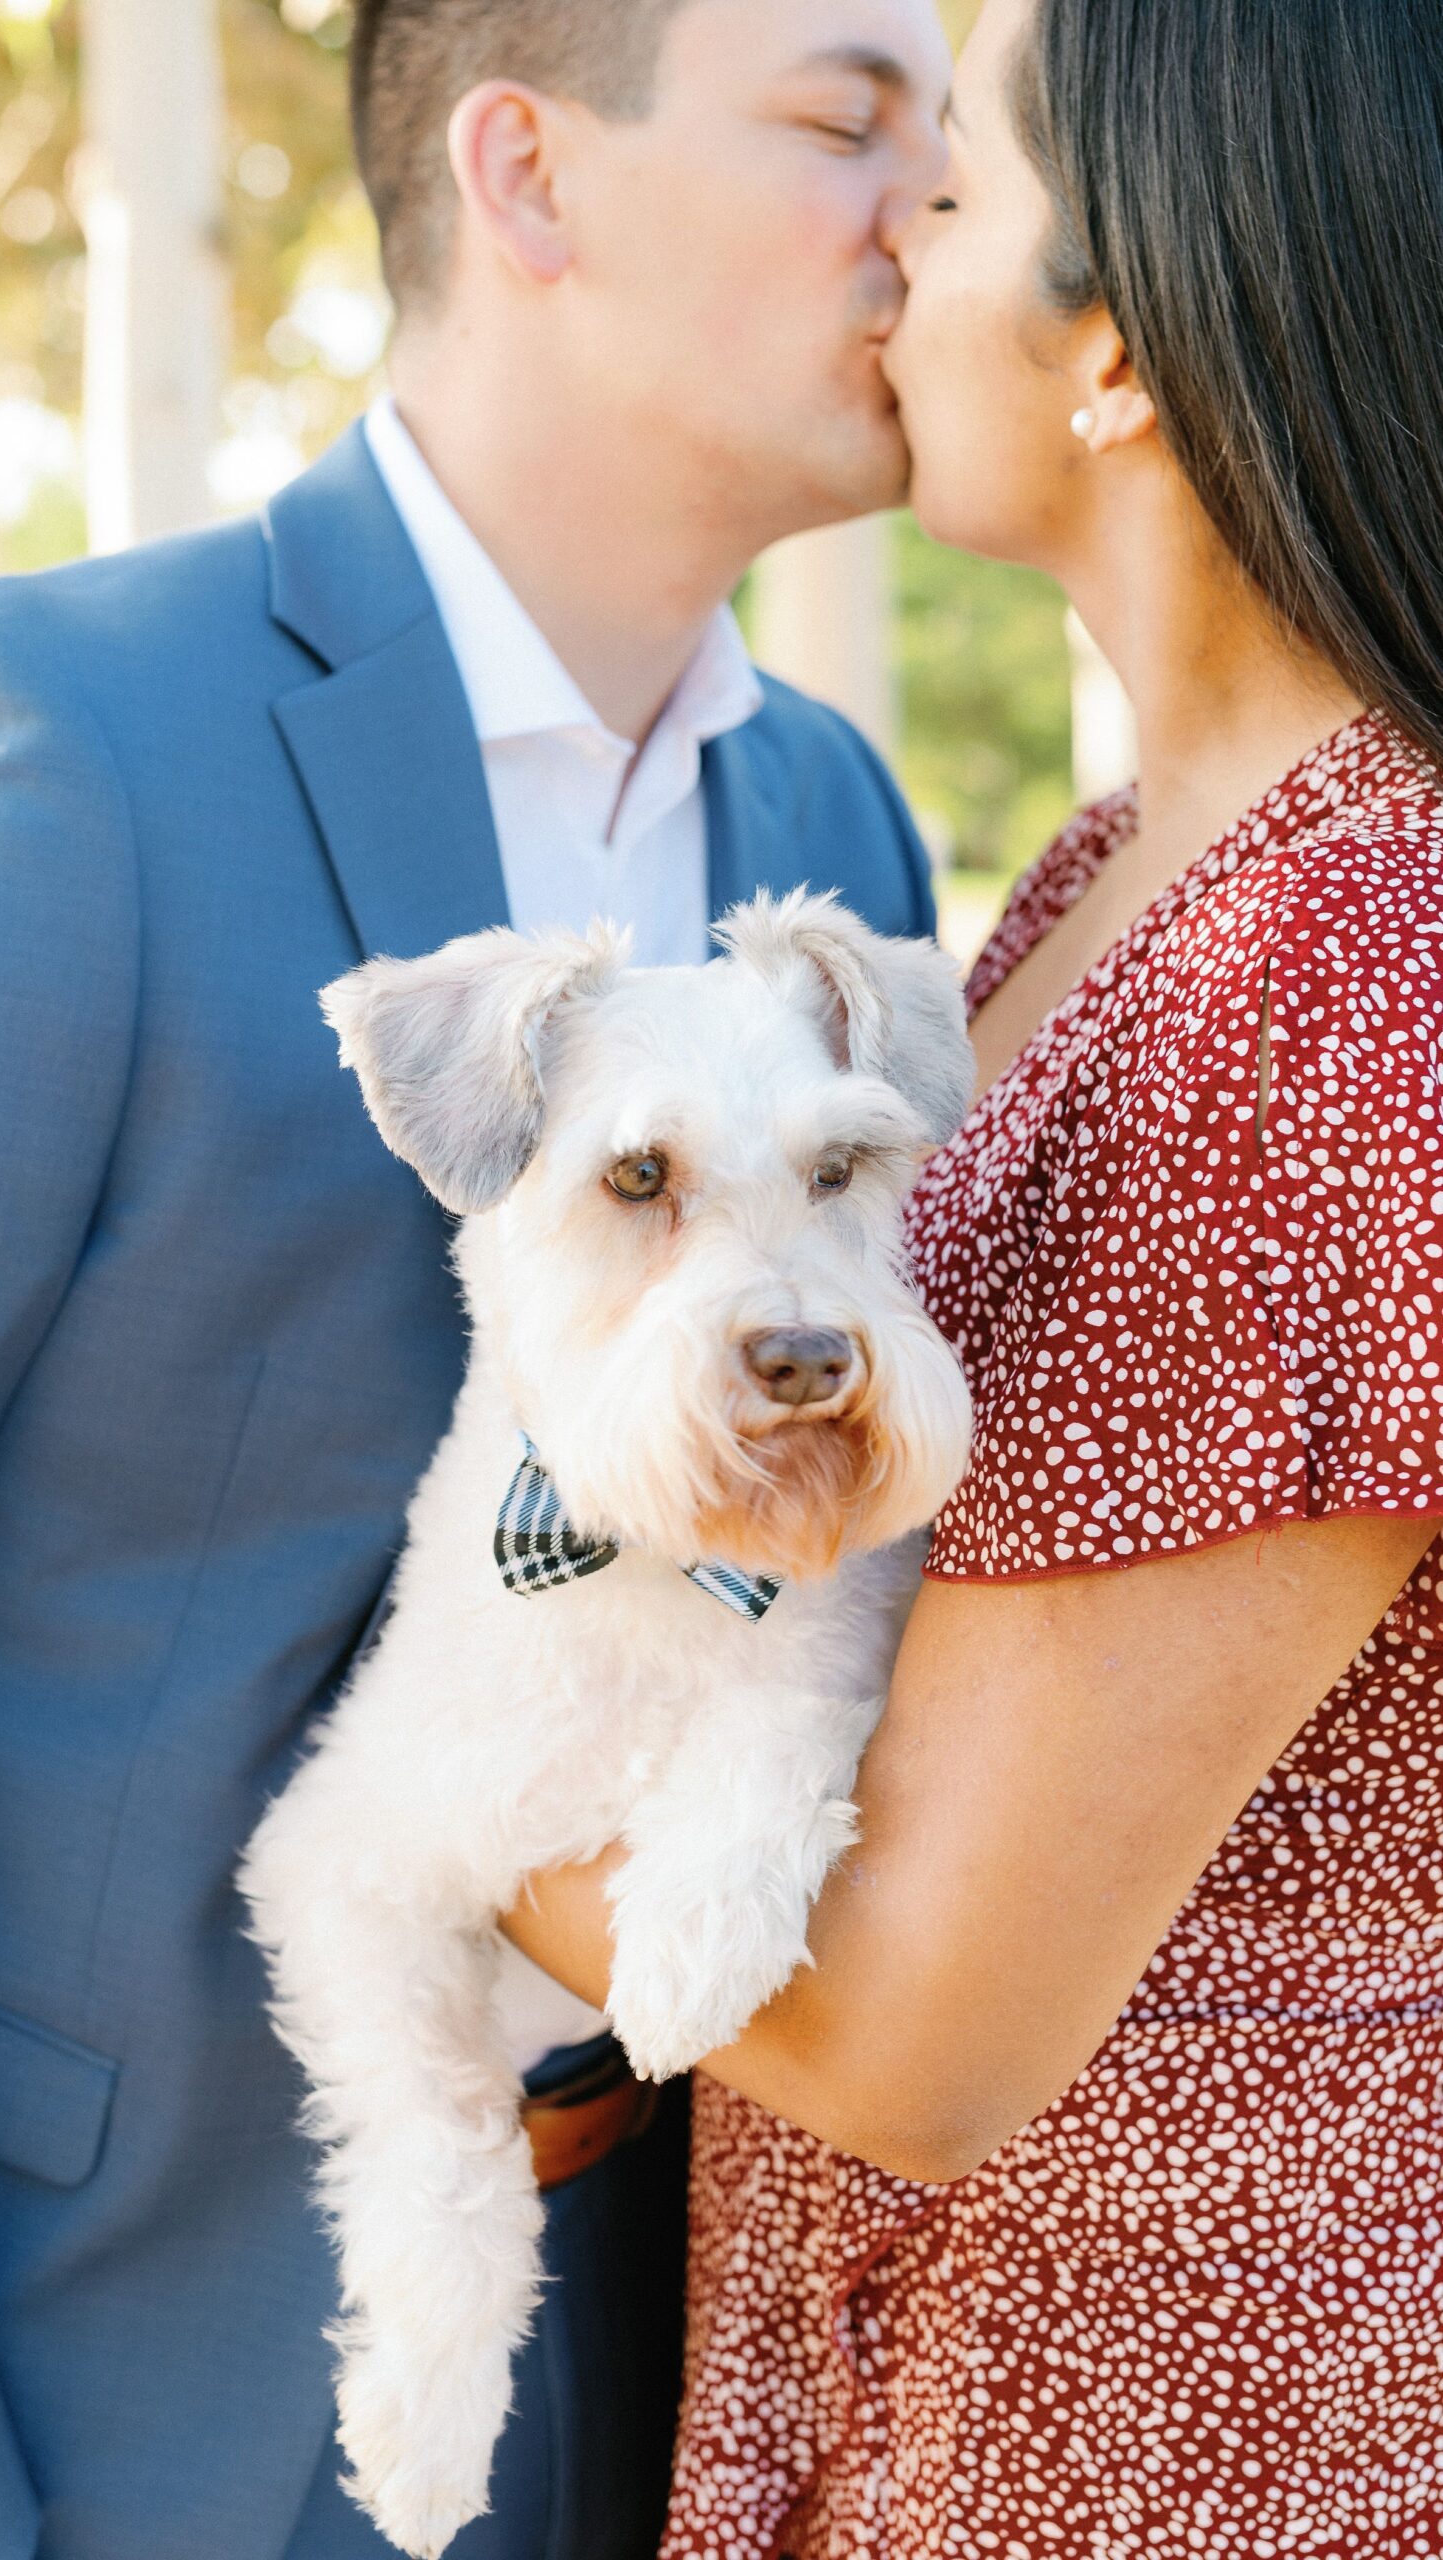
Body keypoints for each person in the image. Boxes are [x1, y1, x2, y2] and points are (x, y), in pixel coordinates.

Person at [0, 2, 957, 2554]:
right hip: (100, 2385)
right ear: (526, 176)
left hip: (651, 2409)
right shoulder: (41, 749)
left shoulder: (834, 824)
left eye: (949, 136)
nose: (937, 206)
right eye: (854, 122)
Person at [505, 0, 1443, 2549]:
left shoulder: (1337, 960)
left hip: (1158, 2431)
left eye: (948, 199)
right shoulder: (1108, 878)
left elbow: (920, 2020)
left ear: (1120, 332)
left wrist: (404, 1760)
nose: (880, 255)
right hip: (922, 2368)